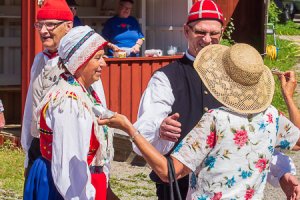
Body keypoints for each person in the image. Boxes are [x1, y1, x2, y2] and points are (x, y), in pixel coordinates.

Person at [132, 0, 300, 199]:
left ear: (222, 32)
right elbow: (142, 136)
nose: (207, 39)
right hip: (177, 188)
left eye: (214, 33)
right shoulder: (166, 78)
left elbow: (257, 136)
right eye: (200, 32)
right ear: (186, 31)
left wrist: (282, 173)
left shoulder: (237, 77)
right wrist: (159, 131)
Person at [99, 43, 300, 200]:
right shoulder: (271, 116)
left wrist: (130, 129)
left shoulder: (215, 119)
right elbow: (298, 141)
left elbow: (168, 172)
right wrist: (289, 97)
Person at [24, 25, 115, 200]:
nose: (104, 63)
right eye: (98, 58)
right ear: (80, 61)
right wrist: (81, 195)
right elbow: (69, 165)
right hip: (63, 187)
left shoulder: (81, 91)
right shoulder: (68, 103)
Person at [20, 0, 106, 181]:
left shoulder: (82, 63)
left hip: (70, 152)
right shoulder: (38, 61)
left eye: (50, 24)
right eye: (40, 25)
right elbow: (30, 108)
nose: (43, 31)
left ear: (68, 26)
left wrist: (101, 168)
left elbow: (98, 112)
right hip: (39, 152)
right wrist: (28, 153)